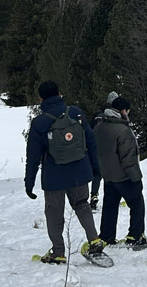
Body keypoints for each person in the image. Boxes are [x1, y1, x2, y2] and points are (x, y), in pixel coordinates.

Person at [25, 80, 112, 266]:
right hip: (79, 171)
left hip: (54, 176)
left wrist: (29, 183)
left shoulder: (40, 122)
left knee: (54, 212)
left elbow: (33, 156)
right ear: (59, 93)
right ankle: (94, 240)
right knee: (82, 205)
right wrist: (96, 169)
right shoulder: (75, 113)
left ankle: (58, 252)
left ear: (41, 98)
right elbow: (91, 141)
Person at [93, 95, 147, 248]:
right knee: (137, 204)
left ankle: (106, 235)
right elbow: (128, 157)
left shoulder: (99, 126)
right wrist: (136, 177)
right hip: (124, 176)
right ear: (123, 110)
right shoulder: (123, 130)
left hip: (108, 175)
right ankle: (135, 235)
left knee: (110, 206)